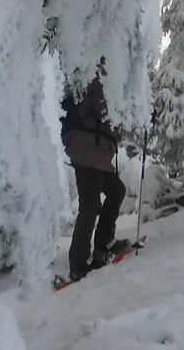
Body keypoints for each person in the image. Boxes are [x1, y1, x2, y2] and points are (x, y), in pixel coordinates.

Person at [61, 63, 131, 281]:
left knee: (116, 190)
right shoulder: (97, 76)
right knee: (90, 204)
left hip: (97, 153)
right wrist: (134, 114)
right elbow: (106, 112)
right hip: (86, 151)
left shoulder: (107, 78)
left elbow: (111, 123)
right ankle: (78, 263)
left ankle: (104, 242)